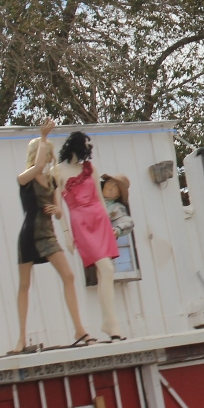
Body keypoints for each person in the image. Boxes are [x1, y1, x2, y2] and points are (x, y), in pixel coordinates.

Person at [12, 119, 91, 353]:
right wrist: (43, 137)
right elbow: (36, 169)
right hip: (30, 233)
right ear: (36, 153)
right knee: (24, 285)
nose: (47, 155)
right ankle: (21, 338)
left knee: (68, 275)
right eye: (43, 151)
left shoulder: (53, 179)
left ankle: (79, 329)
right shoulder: (24, 178)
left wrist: (58, 212)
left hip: (47, 234)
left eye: (48, 151)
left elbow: (58, 212)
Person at [52, 131, 124, 343]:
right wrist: (66, 234)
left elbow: (101, 199)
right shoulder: (57, 172)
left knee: (107, 273)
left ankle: (110, 324)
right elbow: (58, 207)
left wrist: (109, 224)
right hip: (80, 221)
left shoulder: (91, 168)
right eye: (84, 144)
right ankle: (112, 324)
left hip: (99, 219)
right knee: (106, 269)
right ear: (74, 145)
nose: (87, 149)